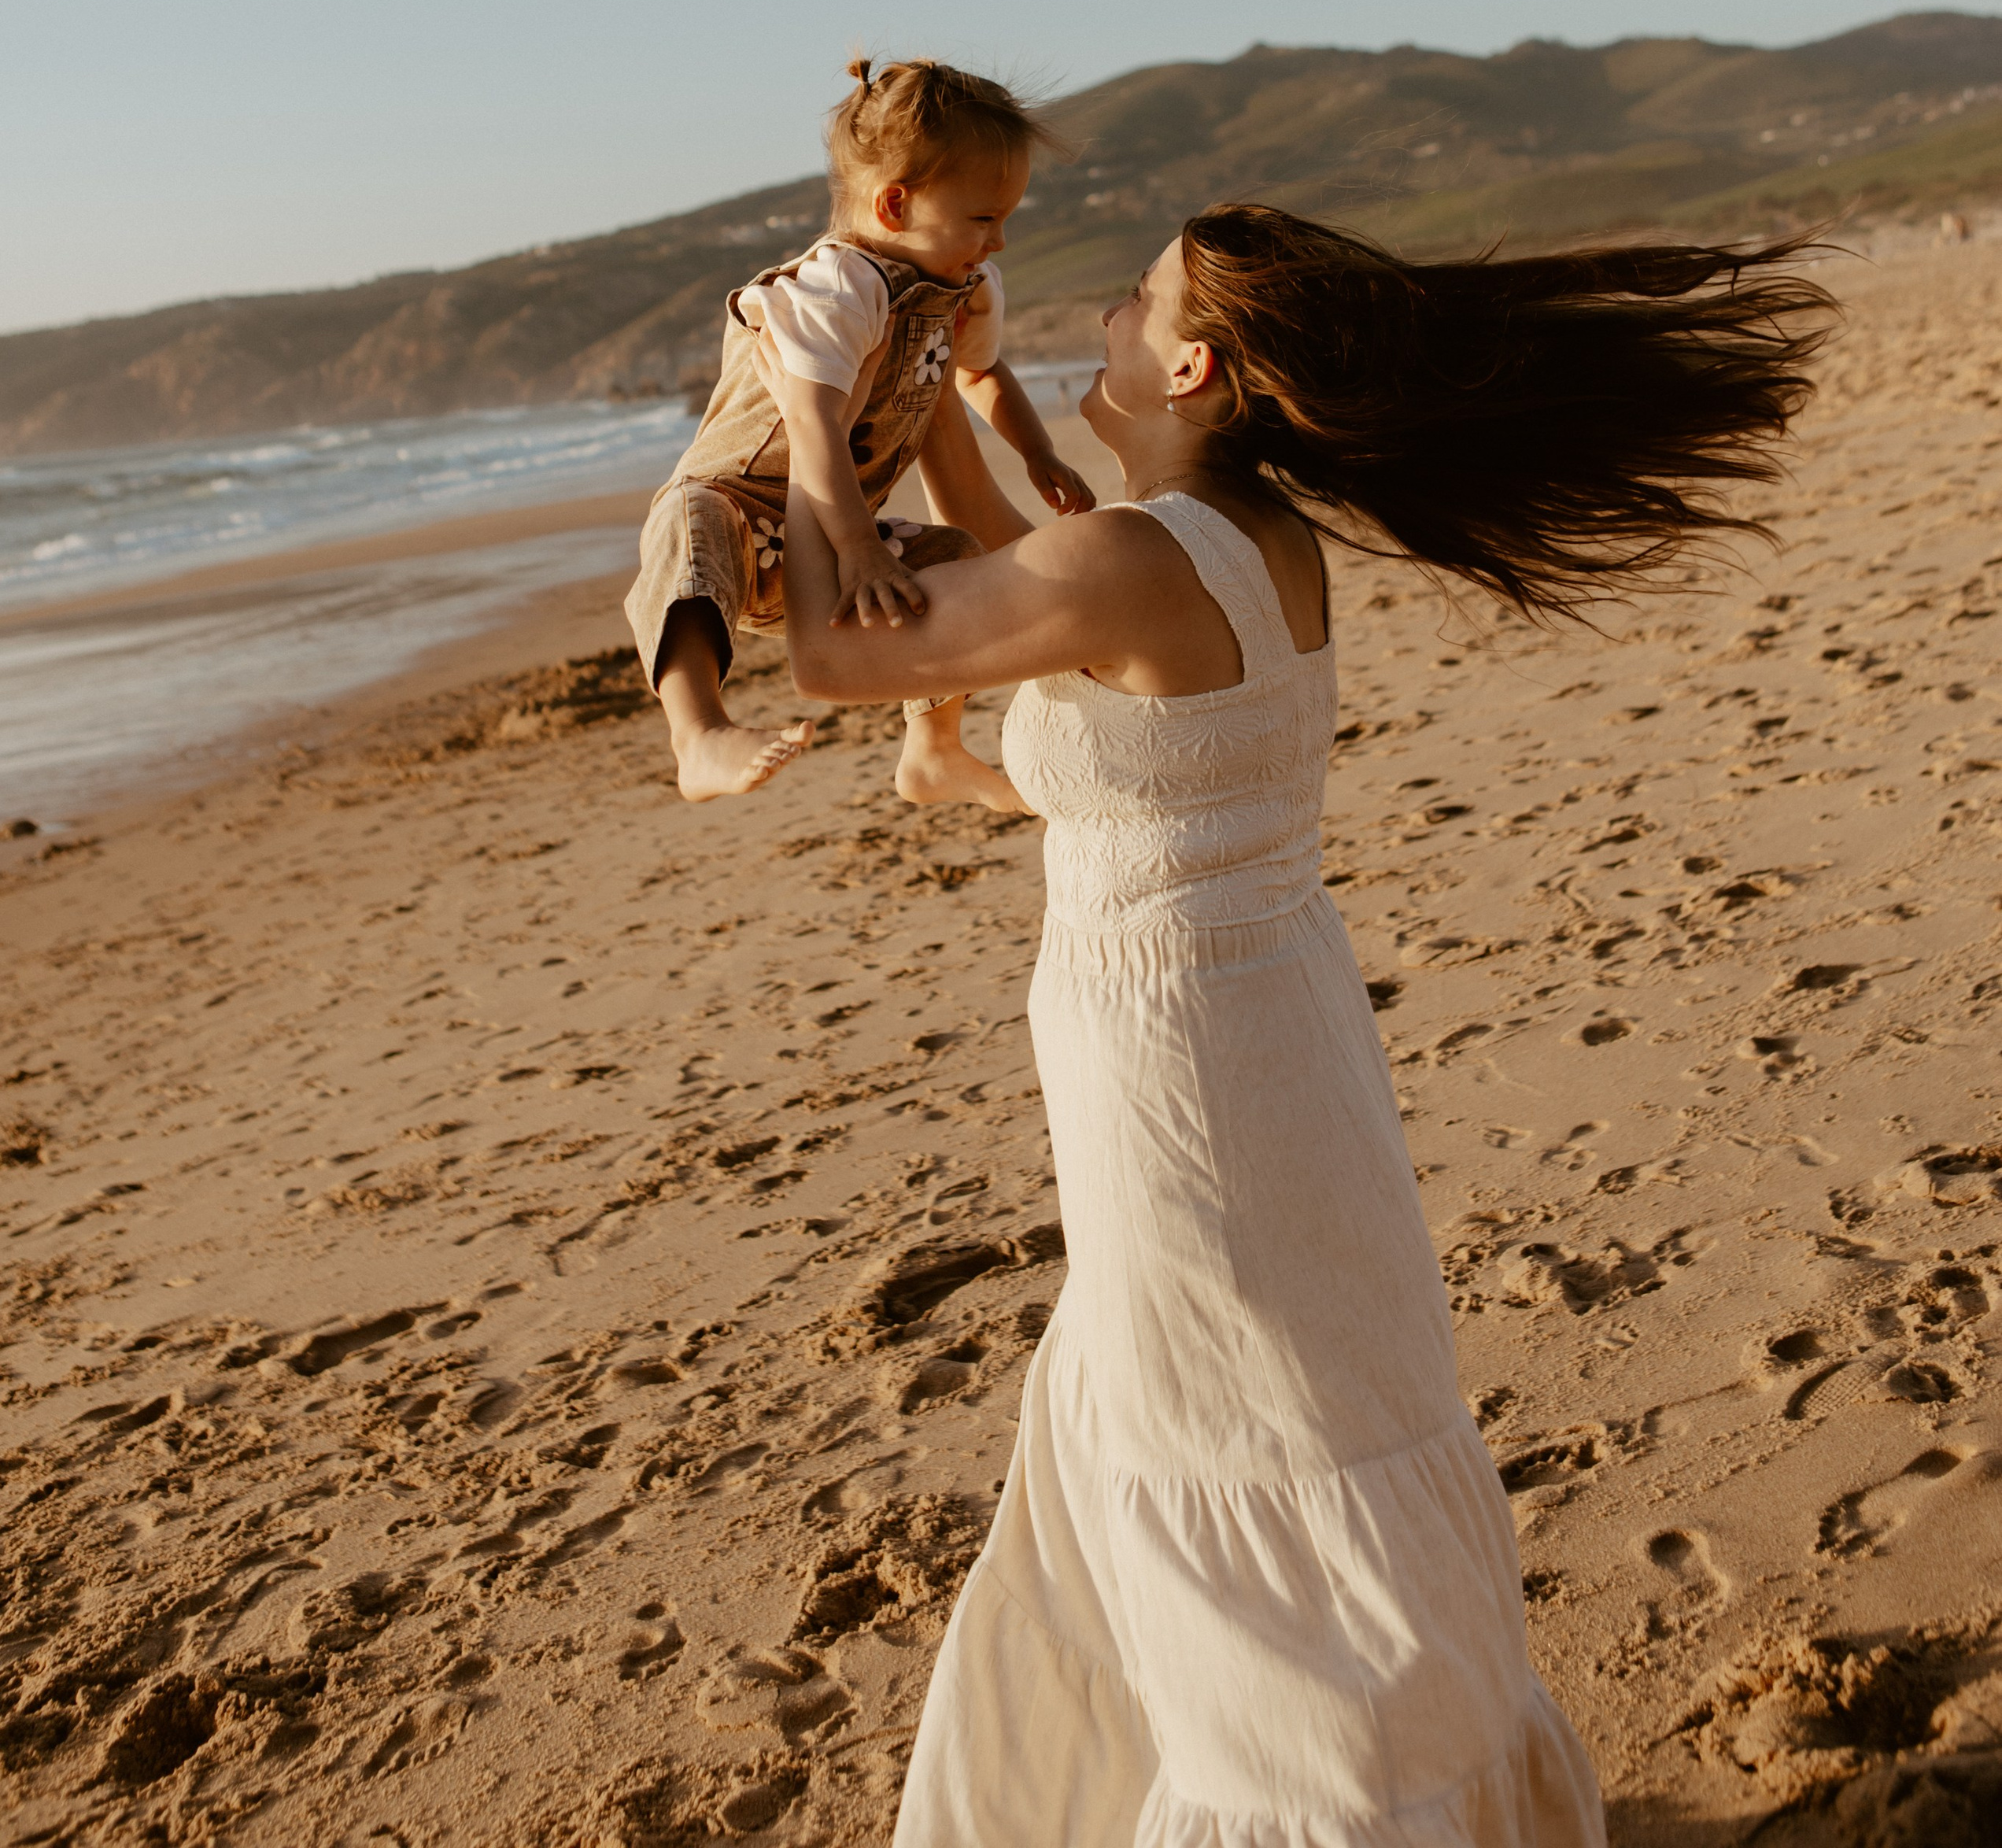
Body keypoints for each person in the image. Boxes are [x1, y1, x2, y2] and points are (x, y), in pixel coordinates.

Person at [767, 202, 1831, 1846]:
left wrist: (803, 398)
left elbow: (837, 651)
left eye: (1134, 301)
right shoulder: (1242, 542)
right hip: (1263, 1025)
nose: (1104, 317)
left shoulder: (1132, 558)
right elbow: (1029, 609)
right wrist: (971, 406)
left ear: (1190, 365)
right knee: (1284, 1397)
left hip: (1179, 1063)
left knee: (1236, 1416)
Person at [625, 57, 1095, 803]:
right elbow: (812, 420)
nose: (999, 241)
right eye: (983, 218)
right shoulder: (840, 289)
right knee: (690, 523)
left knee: (950, 555)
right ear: (895, 205)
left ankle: (933, 749)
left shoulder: (964, 287)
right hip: (745, 512)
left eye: (1007, 218)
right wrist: (858, 549)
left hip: (828, 535)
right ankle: (699, 731)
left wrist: (1038, 453)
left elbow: (980, 374)